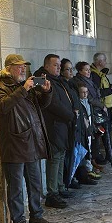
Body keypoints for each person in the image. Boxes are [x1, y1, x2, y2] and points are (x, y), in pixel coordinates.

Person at [0, 54, 56, 223]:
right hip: (14, 144)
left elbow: (42, 105)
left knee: (35, 182)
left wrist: (46, 92)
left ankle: (36, 216)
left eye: (24, 66)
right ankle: (18, 222)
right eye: (19, 66)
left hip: (32, 142)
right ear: (8, 69)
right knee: (16, 187)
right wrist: (23, 89)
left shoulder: (25, 86)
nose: (23, 69)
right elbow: (2, 107)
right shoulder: (1, 88)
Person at [34, 54, 76, 207]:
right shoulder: (41, 79)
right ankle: (52, 193)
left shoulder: (57, 80)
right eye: (55, 65)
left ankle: (59, 187)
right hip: (53, 125)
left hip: (62, 125)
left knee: (61, 155)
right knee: (55, 158)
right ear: (46, 66)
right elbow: (52, 103)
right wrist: (70, 114)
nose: (59, 67)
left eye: (59, 65)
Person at [91, 52, 112, 163]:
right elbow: (97, 93)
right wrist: (110, 90)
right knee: (103, 132)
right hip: (101, 108)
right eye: (104, 60)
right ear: (99, 62)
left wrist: (111, 88)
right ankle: (103, 155)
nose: (106, 62)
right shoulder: (94, 75)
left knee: (106, 132)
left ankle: (109, 154)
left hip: (106, 106)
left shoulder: (101, 74)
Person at [59, 59, 82, 191]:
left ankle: (72, 176)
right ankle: (67, 180)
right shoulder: (61, 85)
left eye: (71, 68)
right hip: (68, 124)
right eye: (68, 69)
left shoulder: (71, 84)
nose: (71, 72)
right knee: (66, 156)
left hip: (75, 122)